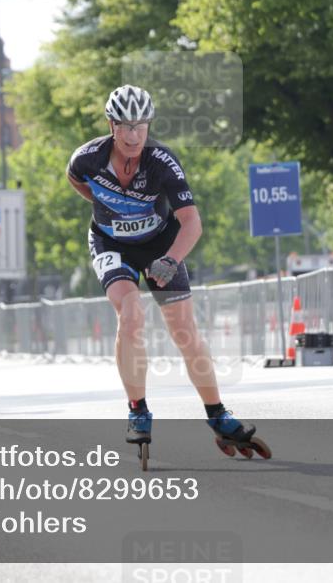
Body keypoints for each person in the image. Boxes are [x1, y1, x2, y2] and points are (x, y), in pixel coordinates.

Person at [66, 84, 269, 459]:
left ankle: (217, 415)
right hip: (111, 244)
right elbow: (78, 182)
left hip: (161, 245)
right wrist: (110, 210)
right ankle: (138, 411)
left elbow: (192, 223)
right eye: (125, 126)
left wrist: (171, 259)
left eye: (141, 126)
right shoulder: (86, 160)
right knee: (130, 315)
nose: (133, 135)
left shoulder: (163, 162)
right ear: (111, 125)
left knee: (184, 332)